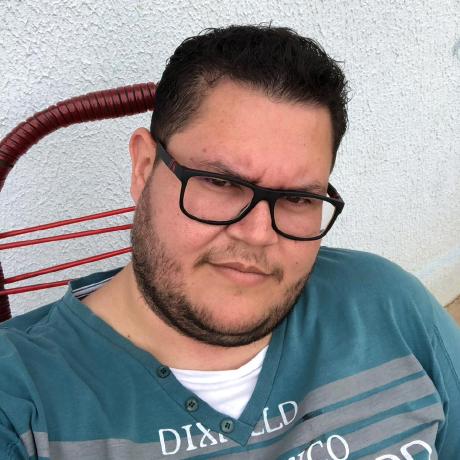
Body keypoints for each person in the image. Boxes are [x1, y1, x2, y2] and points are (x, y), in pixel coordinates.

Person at [0, 24, 459, 460]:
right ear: (144, 168)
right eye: (220, 183)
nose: (258, 234)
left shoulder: (388, 302)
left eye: (298, 198)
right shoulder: (20, 399)